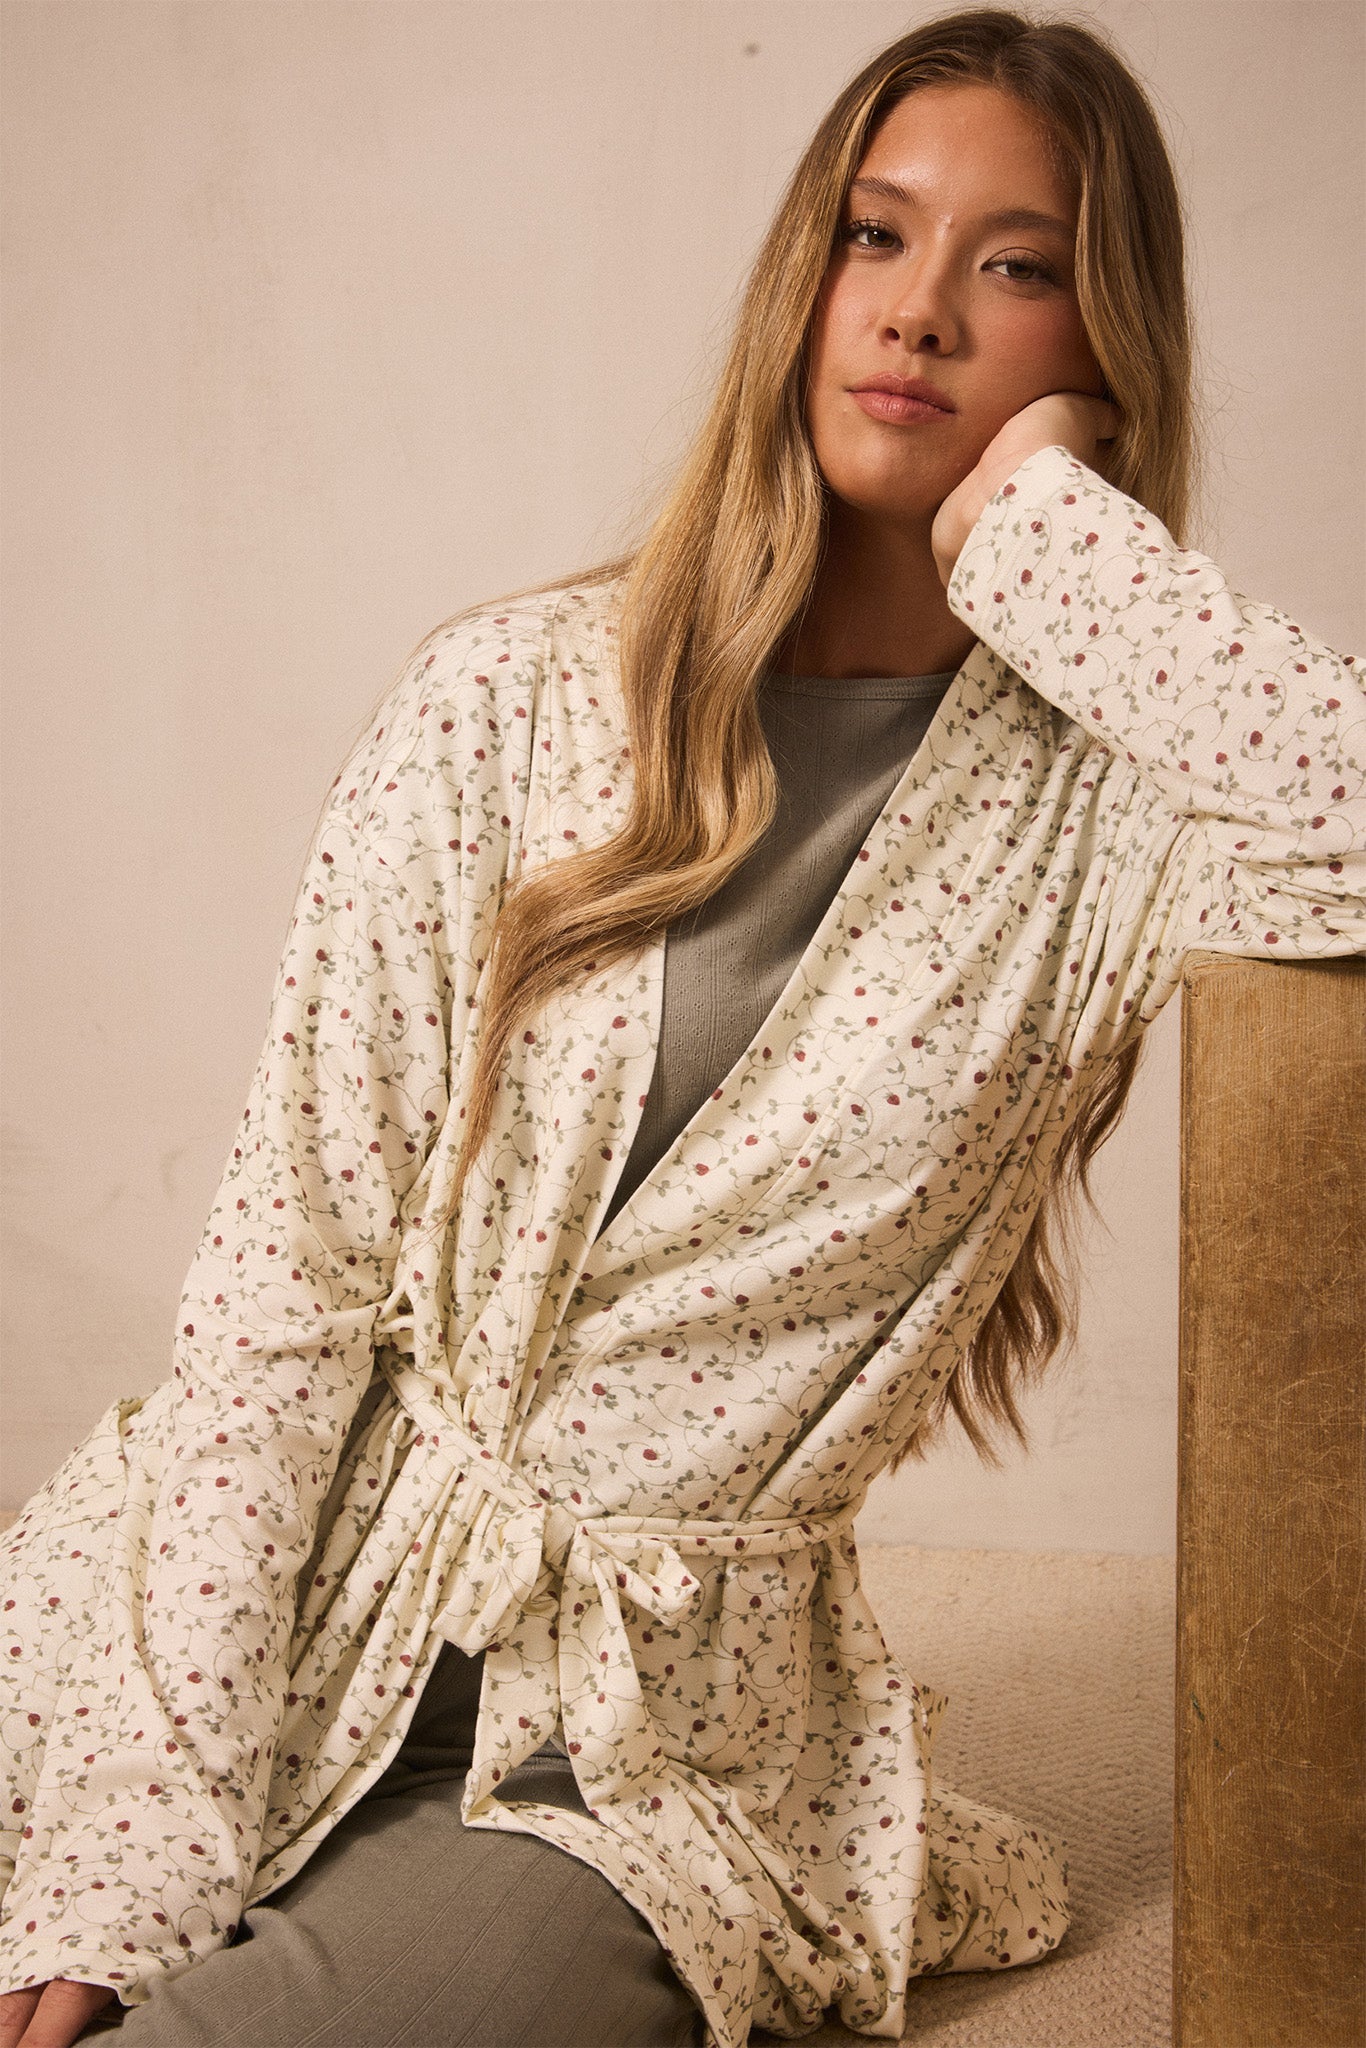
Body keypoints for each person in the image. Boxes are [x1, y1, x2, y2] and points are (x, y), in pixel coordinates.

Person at [2, 7, 1363, 2046]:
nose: (915, 314)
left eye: (1012, 265)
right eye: (870, 234)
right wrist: (132, 1838)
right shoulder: (503, 702)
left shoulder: (1120, 821)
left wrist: (1049, 545)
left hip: (636, 1757)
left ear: (1099, 348)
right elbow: (284, 1296)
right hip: (279, 1591)